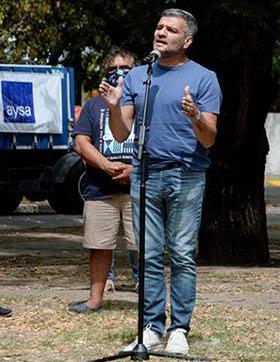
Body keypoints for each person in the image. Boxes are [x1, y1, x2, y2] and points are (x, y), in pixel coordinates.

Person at [99, 8, 221, 355]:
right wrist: (112, 107)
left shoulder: (204, 78)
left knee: (181, 254)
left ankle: (179, 328)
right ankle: (152, 327)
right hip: (145, 173)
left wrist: (196, 115)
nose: (161, 32)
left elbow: (209, 138)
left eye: (171, 29)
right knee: (149, 254)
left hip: (186, 174)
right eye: (158, 27)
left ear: (187, 40)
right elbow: (122, 131)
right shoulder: (139, 77)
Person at [69, 49, 139, 314]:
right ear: (106, 73)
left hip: (137, 188)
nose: (120, 72)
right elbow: (81, 141)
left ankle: (150, 300)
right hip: (100, 188)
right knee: (99, 246)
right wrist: (106, 165)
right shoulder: (93, 105)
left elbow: (156, 141)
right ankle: (95, 299)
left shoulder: (144, 102)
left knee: (144, 247)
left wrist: (135, 169)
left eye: (126, 68)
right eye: (114, 67)